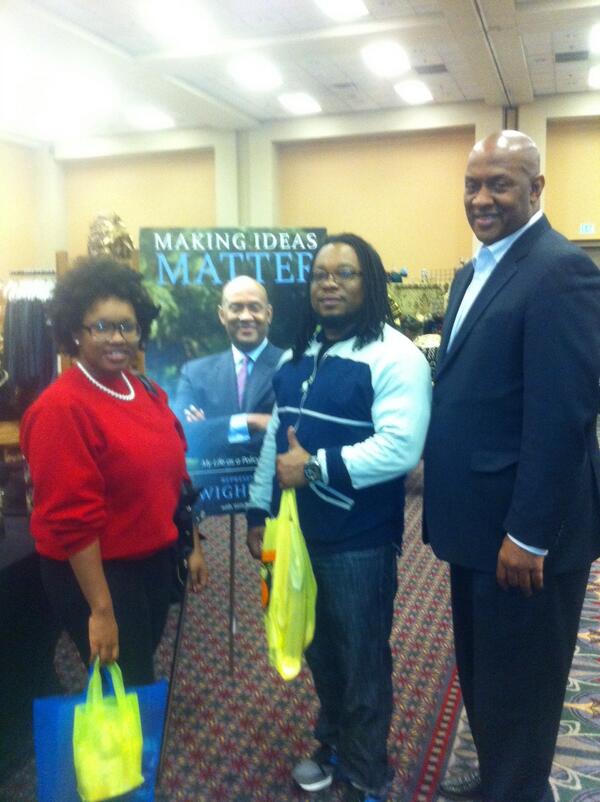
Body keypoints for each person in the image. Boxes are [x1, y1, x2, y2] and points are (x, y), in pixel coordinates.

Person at [423, 131, 600, 802]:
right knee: (486, 678)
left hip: (523, 538)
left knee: (523, 690)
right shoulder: (474, 271)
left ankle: (518, 789)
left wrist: (529, 534)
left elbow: (563, 414)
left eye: (499, 183)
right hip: (476, 527)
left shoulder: (560, 270)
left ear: (536, 188)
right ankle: (501, 780)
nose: (481, 198)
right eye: (472, 184)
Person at [246, 234, 431, 802]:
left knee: (361, 657)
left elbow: (401, 448)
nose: (329, 283)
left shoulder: (396, 356)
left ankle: (366, 771)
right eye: (320, 274)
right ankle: (332, 742)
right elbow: (276, 442)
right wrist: (258, 510)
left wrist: (316, 467)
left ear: (369, 282)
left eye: (345, 273)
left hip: (358, 542)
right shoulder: (297, 356)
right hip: (294, 536)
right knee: (318, 649)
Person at [21, 257, 208, 686]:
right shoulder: (59, 409)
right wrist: (101, 610)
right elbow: (72, 519)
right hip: (98, 574)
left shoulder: (144, 388)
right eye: (102, 327)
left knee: (137, 667)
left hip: (153, 559)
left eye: (128, 326)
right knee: (127, 679)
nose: (118, 338)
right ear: (75, 331)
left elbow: (177, 476)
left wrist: (193, 544)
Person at [172, 276, 283, 461]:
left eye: (254, 307)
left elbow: (294, 433)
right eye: (236, 308)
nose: (245, 317)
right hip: (214, 480)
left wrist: (210, 429)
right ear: (222, 315)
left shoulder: (292, 366)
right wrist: (252, 422)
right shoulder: (194, 374)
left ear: (269, 314)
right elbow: (182, 435)